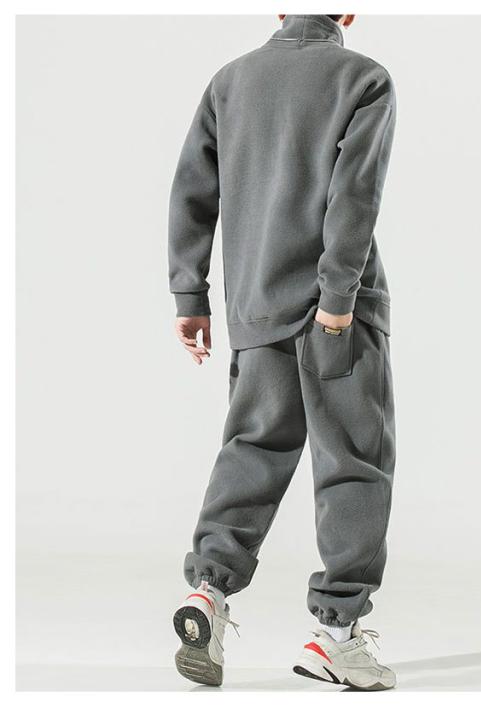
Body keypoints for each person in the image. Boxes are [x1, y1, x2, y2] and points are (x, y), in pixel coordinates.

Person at [168, 14, 397, 690]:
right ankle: (336, 636)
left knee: (252, 450)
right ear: (348, 10)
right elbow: (355, 193)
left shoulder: (230, 81)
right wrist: (338, 296)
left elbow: (192, 191)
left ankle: (208, 592)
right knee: (353, 462)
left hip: (257, 306)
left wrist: (190, 296)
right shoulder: (362, 78)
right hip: (337, 313)